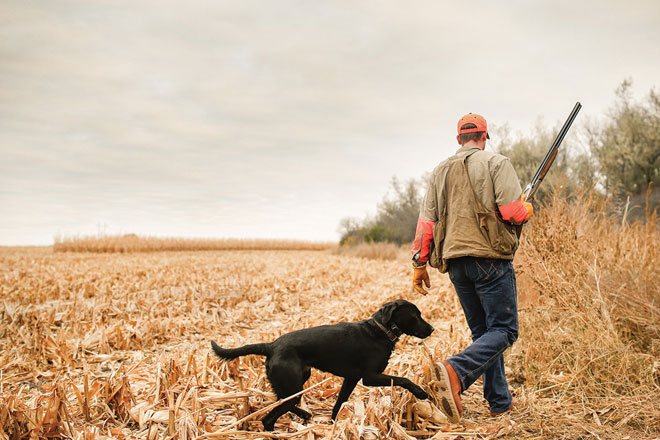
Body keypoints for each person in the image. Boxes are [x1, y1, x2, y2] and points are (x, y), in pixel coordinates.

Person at [410, 113, 533, 423]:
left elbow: (427, 222)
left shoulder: (440, 170)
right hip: (489, 260)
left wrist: (419, 264)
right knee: (504, 331)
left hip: (456, 265)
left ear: (458, 139)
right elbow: (511, 211)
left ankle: (500, 402)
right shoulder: (496, 163)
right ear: (484, 136)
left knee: (484, 334)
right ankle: (455, 371)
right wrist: (527, 208)